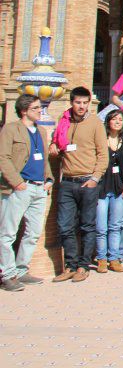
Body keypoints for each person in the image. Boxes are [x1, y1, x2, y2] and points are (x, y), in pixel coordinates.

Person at [51, 87, 108, 283]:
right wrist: (53, 144)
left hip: (87, 181)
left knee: (87, 225)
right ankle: (70, 265)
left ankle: (83, 266)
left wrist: (95, 178)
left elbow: (103, 154)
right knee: (65, 226)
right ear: (72, 102)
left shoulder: (95, 123)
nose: (81, 106)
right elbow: (58, 141)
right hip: (67, 180)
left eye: (85, 103)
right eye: (78, 102)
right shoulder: (64, 120)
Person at [0, 94, 53, 291]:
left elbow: (43, 157)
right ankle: (7, 273)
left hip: (39, 187)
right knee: (8, 232)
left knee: (33, 232)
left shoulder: (40, 130)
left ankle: (22, 269)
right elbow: (3, 157)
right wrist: (16, 182)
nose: (40, 110)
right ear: (24, 111)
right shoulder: (11, 129)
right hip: (19, 187)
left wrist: (49, 179)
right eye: (36, 108)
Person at [95, 109, 123, 274]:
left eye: (120, 119)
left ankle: (114, 258)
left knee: (116, 225)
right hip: (102, 186)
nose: (117, 122)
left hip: (118, 186)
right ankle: (101, 258)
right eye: (114, 119)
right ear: (108, 121)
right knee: (101, 226)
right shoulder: (101, 140)